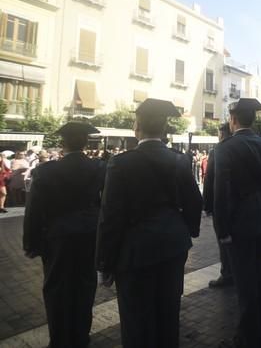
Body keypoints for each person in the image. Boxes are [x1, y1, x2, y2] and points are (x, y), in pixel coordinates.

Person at [95, 99, 203, 348]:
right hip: (174, 247)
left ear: (137, 126)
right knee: (168, 313)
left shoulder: (121, 163)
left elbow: (110, 217)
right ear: (164, 128)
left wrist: (104, 262)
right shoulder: (179, 160)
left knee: (136, 321)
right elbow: (194, 202)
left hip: (135, 252)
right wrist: (186, 230)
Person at [23, 122, 105, 348]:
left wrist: (30, 243)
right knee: (86, 285)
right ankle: (81, 335)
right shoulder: (99, 168)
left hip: (57, 238)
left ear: (62, 143)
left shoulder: (45, 171)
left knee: (57, 288)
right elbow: (104, 203)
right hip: (89, 235)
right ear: (86, 142)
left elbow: (34, 210)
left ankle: (59, 339)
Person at [214, 98, 261, 348]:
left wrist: (221, 230)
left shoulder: (225, 148)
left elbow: (221, 193)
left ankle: (248, 337)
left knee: (245, 281)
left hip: (238, 223)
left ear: (233, 120)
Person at [203, 122, 236, 288]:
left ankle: (227, 273)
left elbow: (210, 180)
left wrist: (207, 205)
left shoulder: (219, 150)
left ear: (222, 134)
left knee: (224, 241)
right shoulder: (242, 146)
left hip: (223, 205)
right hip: (243, 206)